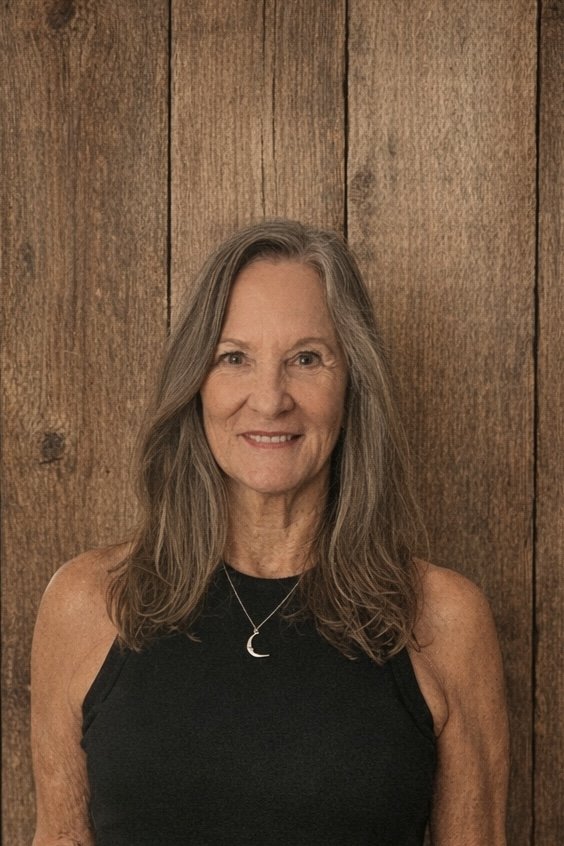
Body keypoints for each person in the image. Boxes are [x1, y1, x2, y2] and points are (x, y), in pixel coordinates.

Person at [31, 219, 509, 846]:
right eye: (235, 358)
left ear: (352, 384)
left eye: (306, 359)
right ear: (197, 383)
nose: (269, 398)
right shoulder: (88, 606)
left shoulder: (444, 621)